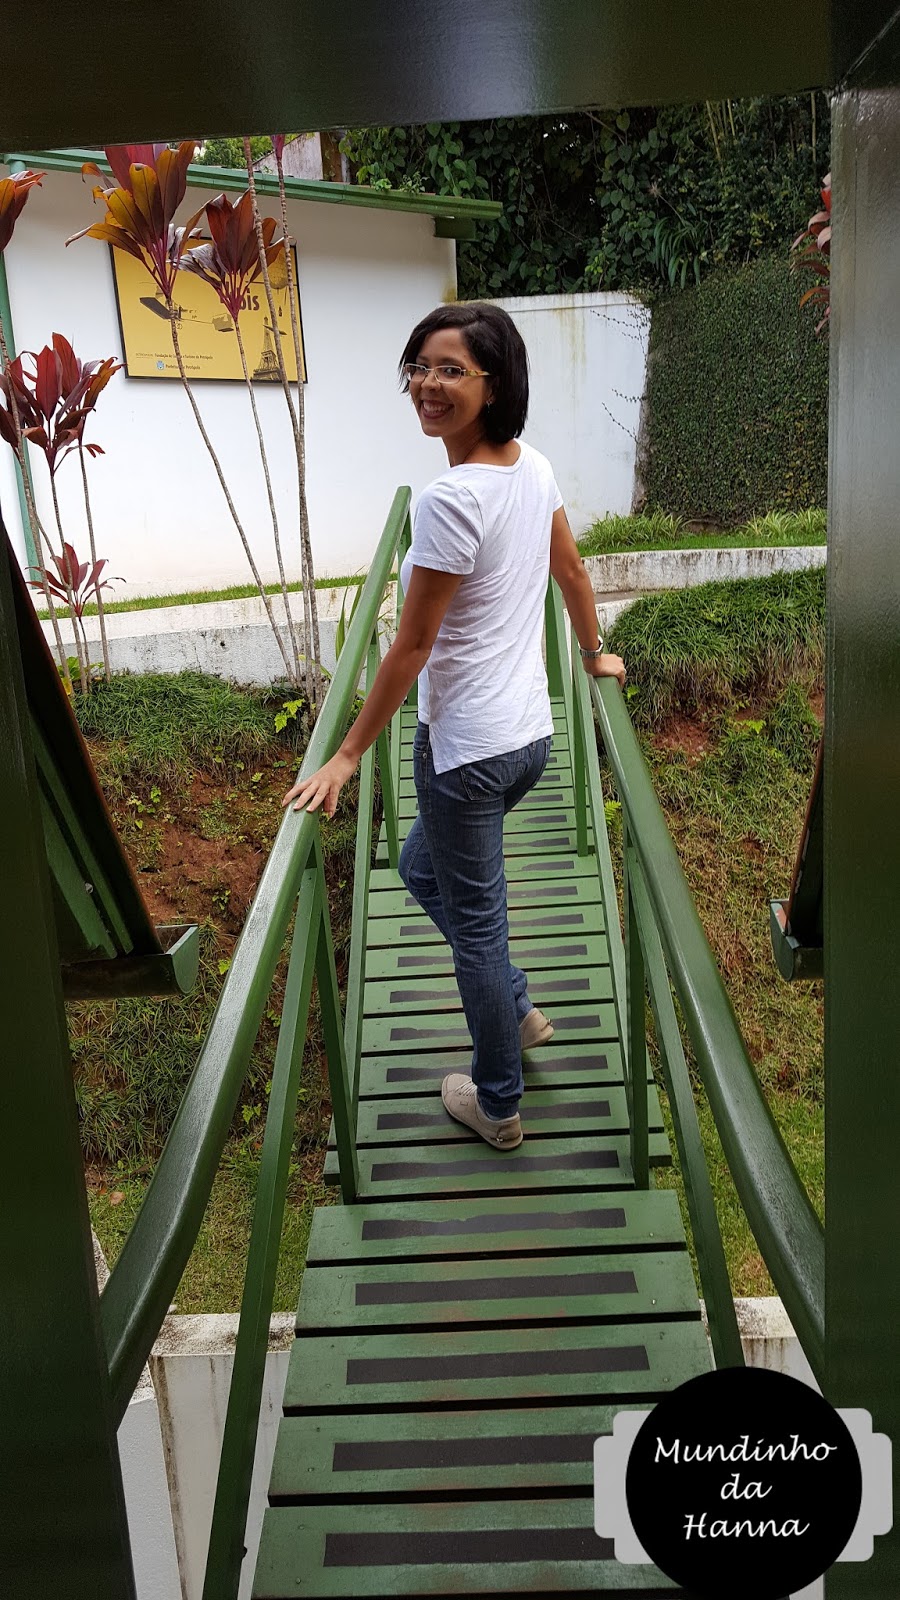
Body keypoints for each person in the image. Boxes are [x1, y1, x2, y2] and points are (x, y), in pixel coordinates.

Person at [282, 302, 625, 1150]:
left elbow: (412, 645)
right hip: (528, 740)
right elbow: (573, 572)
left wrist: (348, 754)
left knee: (476, 928)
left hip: (465, 751)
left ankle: (498, 1103)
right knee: (418, 868)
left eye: (450, 371)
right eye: (420, 368)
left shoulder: (449, 499)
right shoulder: (532, 468)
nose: (428, 386)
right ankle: (517, 1006)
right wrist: (591, 655)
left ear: (493, 384)